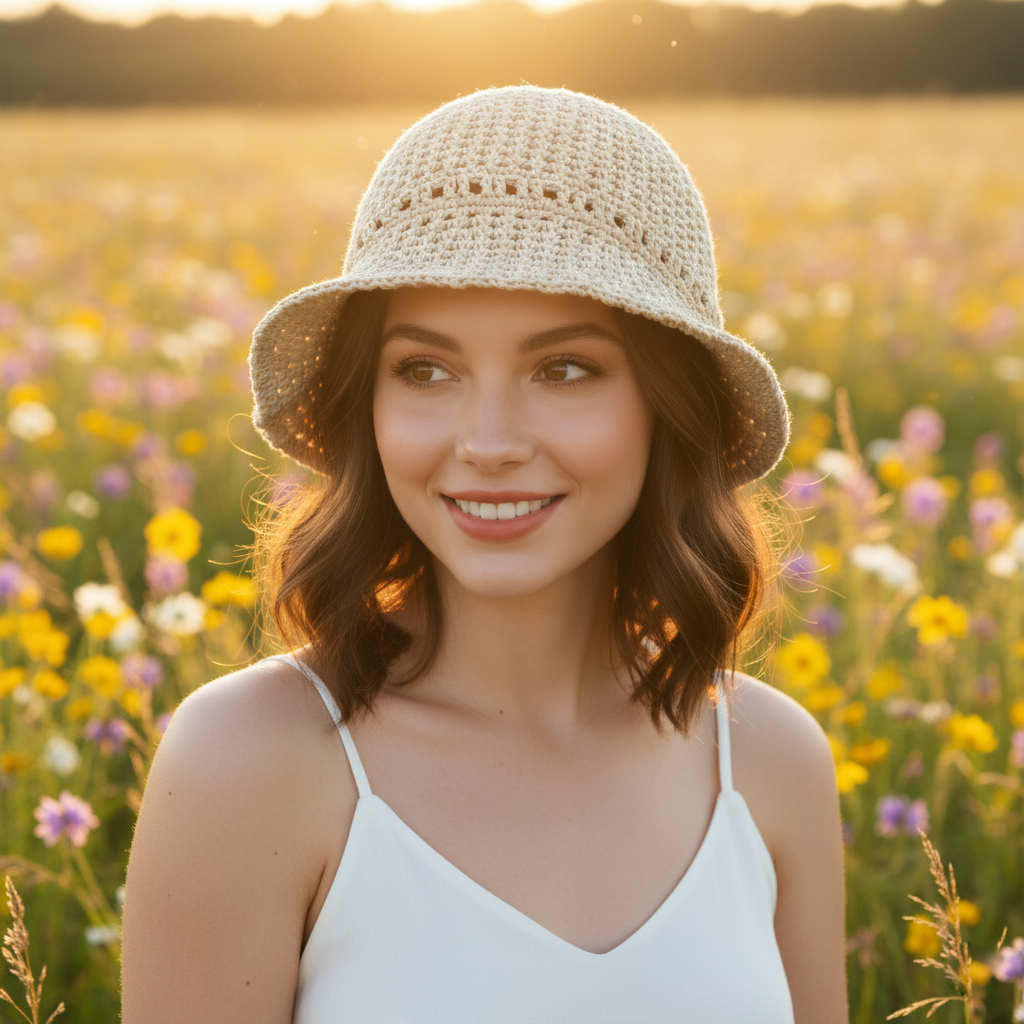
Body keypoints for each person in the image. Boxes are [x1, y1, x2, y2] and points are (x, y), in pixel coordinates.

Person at [121, 86, 848, 1024]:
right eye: (426, 370)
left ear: (669, 406)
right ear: (366, 407)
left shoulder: (769, 761)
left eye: (564, 369)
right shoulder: (252, 761)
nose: (489, 440)